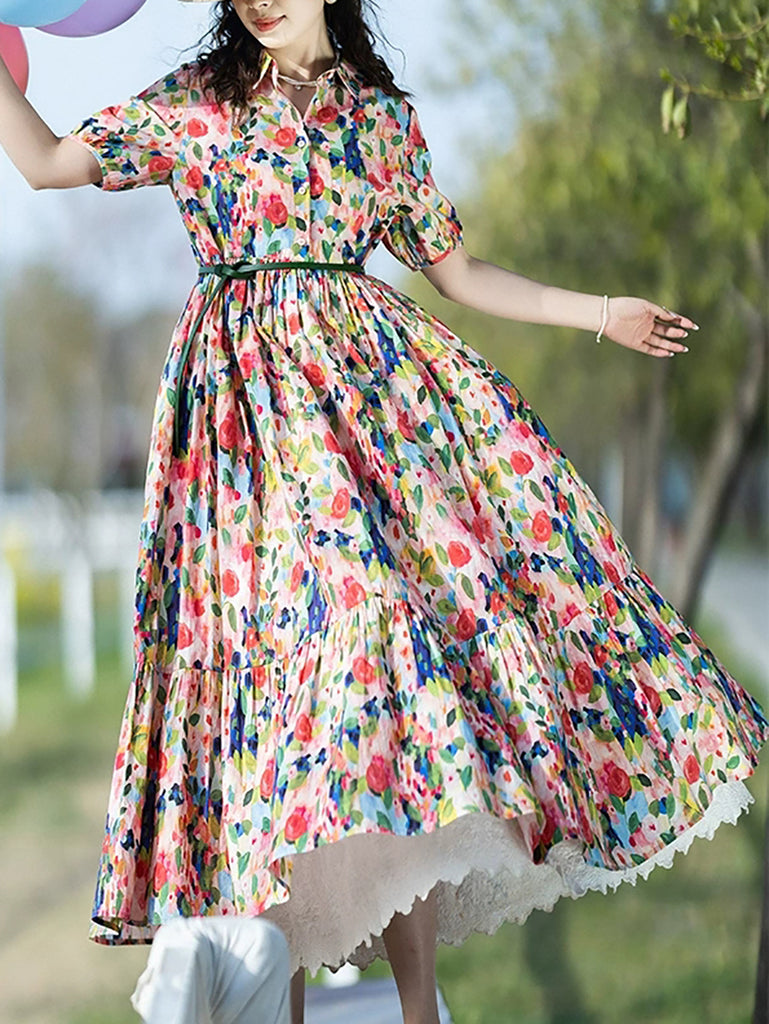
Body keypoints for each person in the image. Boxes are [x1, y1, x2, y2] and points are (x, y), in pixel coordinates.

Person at [1, 2, 767, 1023]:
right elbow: (47, 164)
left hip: (365, 418)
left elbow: (456, 271)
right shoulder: (197, 104)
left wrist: (598, 313)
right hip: (239, 438)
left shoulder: (379, 118)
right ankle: (283, 1002)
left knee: (381, 659)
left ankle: (416, 1009)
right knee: (275, 702)